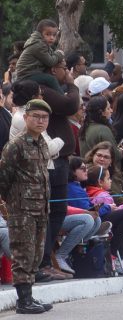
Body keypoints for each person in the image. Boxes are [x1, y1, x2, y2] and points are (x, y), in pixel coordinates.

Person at [0, 98, 53, 313]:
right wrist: (11, 201)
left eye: (44, 117)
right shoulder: (16, 145)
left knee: (36, 254)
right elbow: (3, 176)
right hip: (22, 208)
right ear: (25, 118)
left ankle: (29, 296)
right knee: (23, 252)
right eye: (36, 117)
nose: (40, 121)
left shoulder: (41, 142)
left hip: (40, 207)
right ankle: (23, 301)